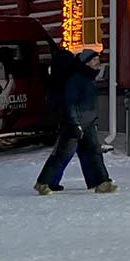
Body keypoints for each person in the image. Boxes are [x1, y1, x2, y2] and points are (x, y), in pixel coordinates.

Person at [35, 46, 118, 195]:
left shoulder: (88, 78)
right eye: (94, 60)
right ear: (86, 62)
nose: (97, 62)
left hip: (88, 123)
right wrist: (74, 123)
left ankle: (103, 183)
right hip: (75, 124)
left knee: (95, 153)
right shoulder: (77, 80)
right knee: (62, 154)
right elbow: (70, 103)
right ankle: (43, 183)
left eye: (97, 60)